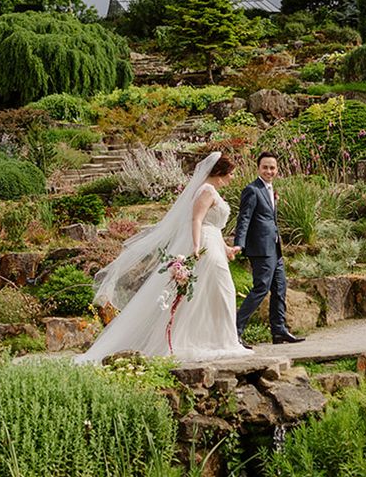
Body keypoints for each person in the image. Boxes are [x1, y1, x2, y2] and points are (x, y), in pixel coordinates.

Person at [76, 151, 252, 363]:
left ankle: (217, 339)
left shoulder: (212, 190)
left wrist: (226, 248)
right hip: (206, 246)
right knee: (224, 291)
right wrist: (196, 246)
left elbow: (212, 226)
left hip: (214, 245)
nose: (233, 177)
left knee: (211, 294)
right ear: (221, 172)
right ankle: (218, 341)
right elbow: (196, 221)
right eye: (231, 173)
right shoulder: (206, 190)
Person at [234, 151, 305, 345]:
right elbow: (244, 218)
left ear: (277, 170)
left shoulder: (270, 189)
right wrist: (239, 243)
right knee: (261, 288)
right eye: (265, 167)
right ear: (258, 168)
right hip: (261, 249)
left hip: (275, 248)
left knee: (280, 287)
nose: (269, 171)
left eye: (272, 167)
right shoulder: (252, 189)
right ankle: (235, 330)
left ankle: (279, 330)